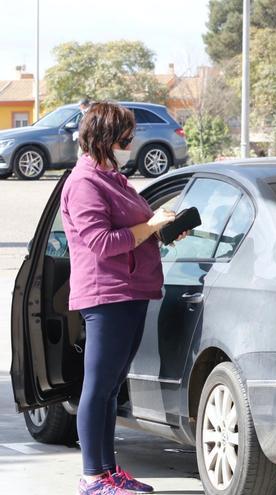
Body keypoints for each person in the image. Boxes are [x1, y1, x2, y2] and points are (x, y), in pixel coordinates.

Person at [62, 102, 184, 495]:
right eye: (124, 138)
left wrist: (161, 229)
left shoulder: (113, 179)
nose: (130, 144)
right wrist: (150, 226)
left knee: (113, 387)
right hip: (106, 294)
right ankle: (92, 477)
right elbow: (100, 242)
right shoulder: (84, 183)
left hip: (131, 290)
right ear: (103, 139)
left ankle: (109, 472)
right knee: (97, 388)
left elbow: (134, 229)